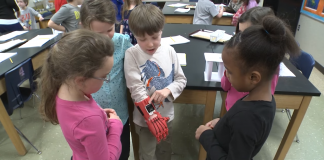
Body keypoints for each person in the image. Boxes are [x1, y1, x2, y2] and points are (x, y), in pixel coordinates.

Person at [195, 15, 300, 159]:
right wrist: (222, 124)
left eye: (230, 72)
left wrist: (206, 136)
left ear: (253, 77)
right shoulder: (265, 101)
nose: (227, 75)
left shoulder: (247, 118)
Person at [39, 29, 123, 160]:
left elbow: (81, 123)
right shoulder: (89, 120)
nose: (107, 79)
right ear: (80, 80)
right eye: (104, 76)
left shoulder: (63, 88)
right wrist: (116, 127)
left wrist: (99, 114)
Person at [125, 4, 187, 160]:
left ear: (161, 31)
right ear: (134, 35)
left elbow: (181, 79)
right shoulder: (132, 54)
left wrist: (168, 90)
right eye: (142, 39)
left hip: (167, 116)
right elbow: (136, 88)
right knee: (147, 154)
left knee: (165, 151)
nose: (150, 44)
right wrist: (150, 115)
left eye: (155, 37)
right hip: (145, 121)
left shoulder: (169, 51)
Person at [80, 0, 133, 159]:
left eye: (109, 30)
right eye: (98, 33)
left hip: (120, 115)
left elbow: (136, 65)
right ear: (84, 26)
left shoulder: (122, 42)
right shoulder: (79, 49)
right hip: (91, 119)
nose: (104, 37)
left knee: (122, 153)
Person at [222, 7, 277, 111]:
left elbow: (263, 103)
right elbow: (225, 86)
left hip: (242, 115)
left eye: (247, 36)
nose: (240, 41)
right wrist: (229, 71)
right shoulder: (236, 58)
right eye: (239, 34)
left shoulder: (268, 67)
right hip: (231, 109)